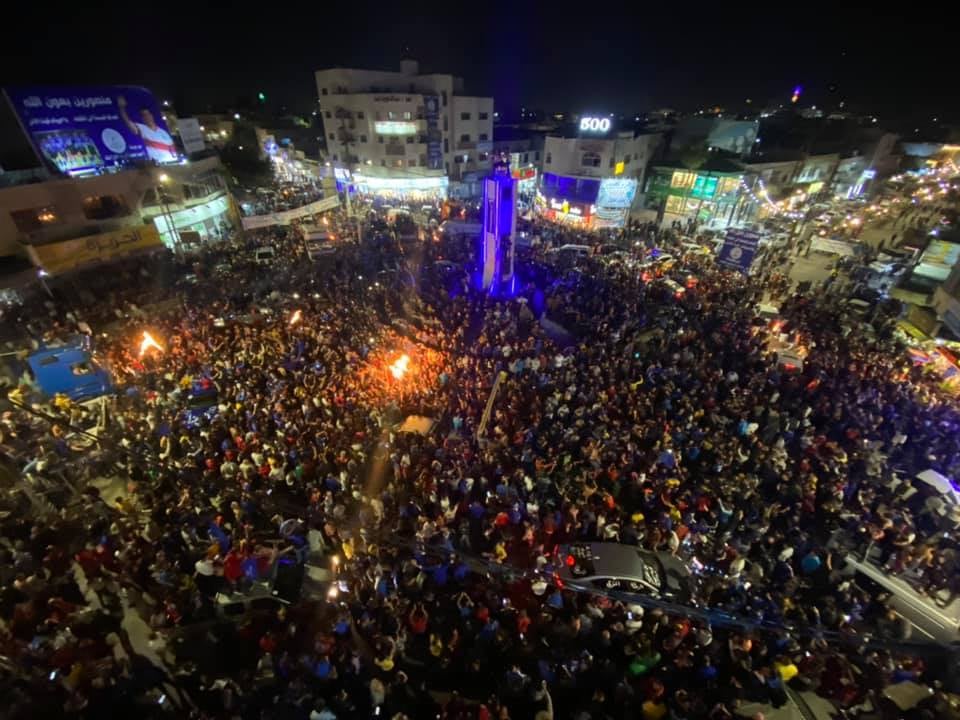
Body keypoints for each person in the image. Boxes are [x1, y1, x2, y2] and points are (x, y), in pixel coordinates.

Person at [117, 95, 177, 163]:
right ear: (142, 119)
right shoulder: (141, 128)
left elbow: (172, 147)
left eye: (148, 114)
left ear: (152, 115)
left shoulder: (163, 132)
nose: (147, 117)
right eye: (144, 115)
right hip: (157, 165)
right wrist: (122, 108)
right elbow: (128, 122)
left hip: (172, 162)